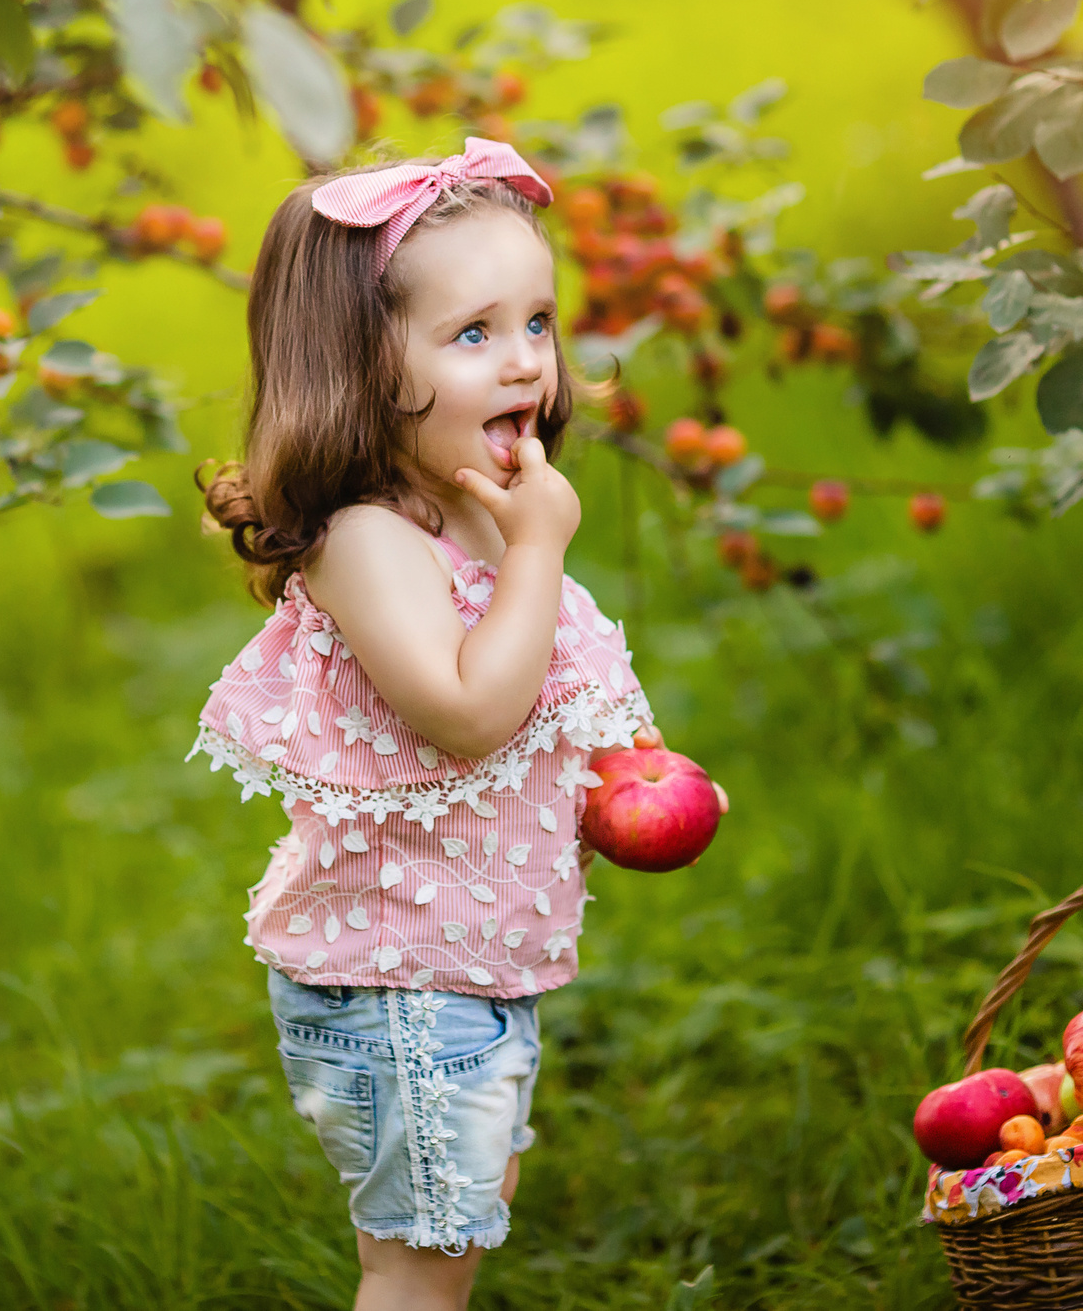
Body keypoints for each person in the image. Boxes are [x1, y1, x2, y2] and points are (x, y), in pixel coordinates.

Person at [195, 139, 709, 1309]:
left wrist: (637, 781)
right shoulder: (370, 538)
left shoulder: (474, 510)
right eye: (473, 334)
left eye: (537, 321)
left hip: (464, 979)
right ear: (360, 368)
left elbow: (539, 714)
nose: (526, 361)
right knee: (420, 1273)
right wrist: (538, 550)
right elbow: (473, 716)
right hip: (400, 989)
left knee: (451, 1246)